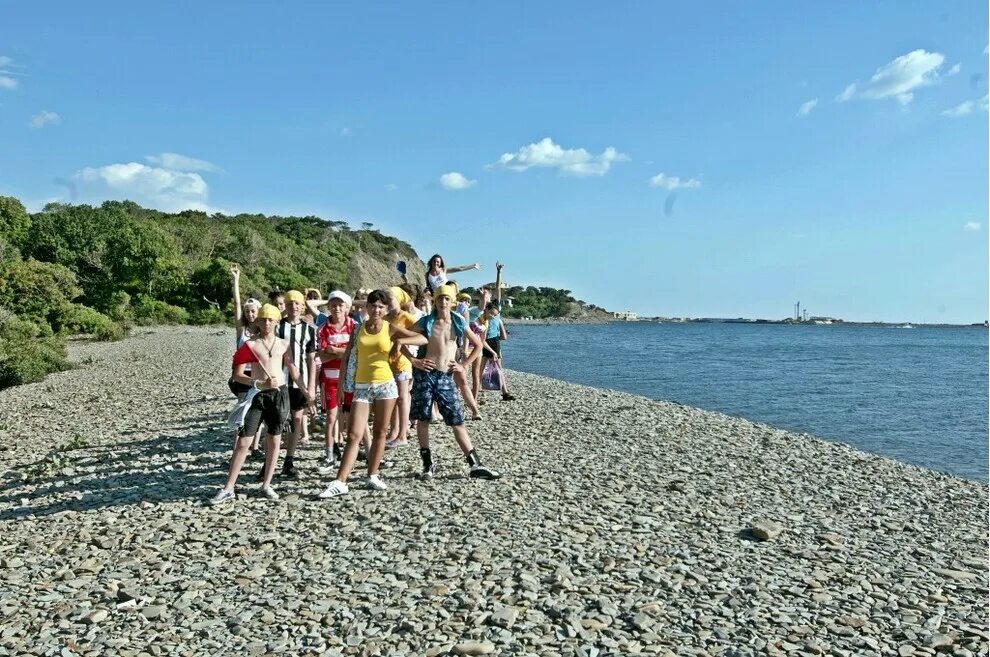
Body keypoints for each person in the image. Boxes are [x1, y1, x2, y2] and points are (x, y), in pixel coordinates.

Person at [318, 289, 429, 498]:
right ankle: (341, 481)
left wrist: (401, 342)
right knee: (353, 435)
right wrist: (342, 386)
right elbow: (347, 358)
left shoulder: (390, 328)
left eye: (381, 306)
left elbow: (422, 338)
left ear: (386, 309)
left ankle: (373, 474)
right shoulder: (358, 329)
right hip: (361, 386)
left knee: (380, 433)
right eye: (373, 306)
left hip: (386, 385)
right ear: (367, 308)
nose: (376, 310)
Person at [212, 303, 317, 504]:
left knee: (274, 439)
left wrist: (307, 392)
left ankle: (267, 484)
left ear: (277, 321)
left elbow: (293, 370)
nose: (267, 323)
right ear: (258, 321)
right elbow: (237, 374)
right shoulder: (250, 345)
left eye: (271, 319)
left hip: (280, 394)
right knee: (244, 441)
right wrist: (258, 383)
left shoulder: (284, 344)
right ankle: (228, 488)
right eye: (263, 319)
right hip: (257, 395)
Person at [408, 285, 500, 481]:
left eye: (446, 299)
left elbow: (477, 344)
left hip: (445, 376)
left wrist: (463, 365)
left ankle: (475, 464)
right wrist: (414, 360)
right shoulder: (426, 321)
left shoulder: (458, 321)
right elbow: (399, 339)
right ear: (435, 301)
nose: (443, 302)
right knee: (423, 420)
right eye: (440, 298)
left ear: (452, 303)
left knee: (457, 419)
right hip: (425, 375)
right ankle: (427, 465)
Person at [275, 290, 317, 478]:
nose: (294, 307)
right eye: (290, 303)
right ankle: (271, 459)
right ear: (286, 305)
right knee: (277, 421)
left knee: (297, 420)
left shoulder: (309, 330)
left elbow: (311, 360)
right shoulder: (277, 327)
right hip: (279, 381)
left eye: (297, 303)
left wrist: (311, 387)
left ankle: (289, 460)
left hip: (301, 380)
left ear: (302, 306)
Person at [315, 291, 355, 475]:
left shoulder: (355, 326)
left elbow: (356, 352)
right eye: (333, 305)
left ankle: (353, 452)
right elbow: (322, 357)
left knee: (352, 418)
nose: (337, 308)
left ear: (347, 307)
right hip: (329, 379)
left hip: (350, 378)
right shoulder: (322, 328)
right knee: (331, 417)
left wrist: (334, 350)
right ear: (329, 307)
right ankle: (329, 454)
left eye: (341, 305)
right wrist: (343, 351)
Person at [229, 263, 264, 458]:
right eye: (248, 311)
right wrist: (236, 281)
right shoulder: (241, 330)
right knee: (243, 410)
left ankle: (255, 447)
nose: (251, 314)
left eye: (254, 311)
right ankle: (236, 449)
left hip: (258, 374)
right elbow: (236, 305)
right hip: (242, 376)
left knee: (257, 411)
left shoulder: (264, 330)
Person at [385, 286, 419, 448]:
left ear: (398, 300)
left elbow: (422, 335)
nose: (387, 302)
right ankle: (394, 432)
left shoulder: (405, 317)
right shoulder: (384, 318)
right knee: (392, 398)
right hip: (387, 363)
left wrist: (402, 342)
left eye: (390, 299)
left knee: (402, 398)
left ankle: (403, 434)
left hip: (402, 362)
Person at [480, 300, 516, 401]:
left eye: (495, 314)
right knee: (495, 368)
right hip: (489, 342)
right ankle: (504, 392)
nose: (493, 316)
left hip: (491, 341)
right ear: (486, 309)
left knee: (485, 368)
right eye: (491, 313)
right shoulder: (483, 319)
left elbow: (503, 336)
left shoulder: (493, 316)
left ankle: (504, 392)